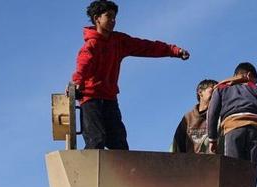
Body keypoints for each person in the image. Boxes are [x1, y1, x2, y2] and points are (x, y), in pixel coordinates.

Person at [70, 0, 190, 150]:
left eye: (114, 17)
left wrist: (173, 51)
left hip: (109, 98)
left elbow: (146, 47)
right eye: (109, 16)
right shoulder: (91, 46)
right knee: (96, 139)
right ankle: (88, 165)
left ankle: (120, 166)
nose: (113, 21)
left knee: (119, 142)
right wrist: (77, 83)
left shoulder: (119, 41)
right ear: (97, 18)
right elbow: (83, 66)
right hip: (90, 98)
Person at [206, 62, 257, 163]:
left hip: (233, 127)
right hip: (255, 130)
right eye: (254, 81)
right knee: (251, 167)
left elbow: (212, 113)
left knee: (233, 166)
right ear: (249, 75)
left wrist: (212, 139)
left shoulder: (221, 88)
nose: (254, 84)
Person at [171, 79, 217, 153]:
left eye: (218, 91)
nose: (216, 93)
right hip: (191, 159)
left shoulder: (220, 116)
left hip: (215, 159)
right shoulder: (188, 118)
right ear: (200, 92)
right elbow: (176, 146)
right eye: (213, 89)